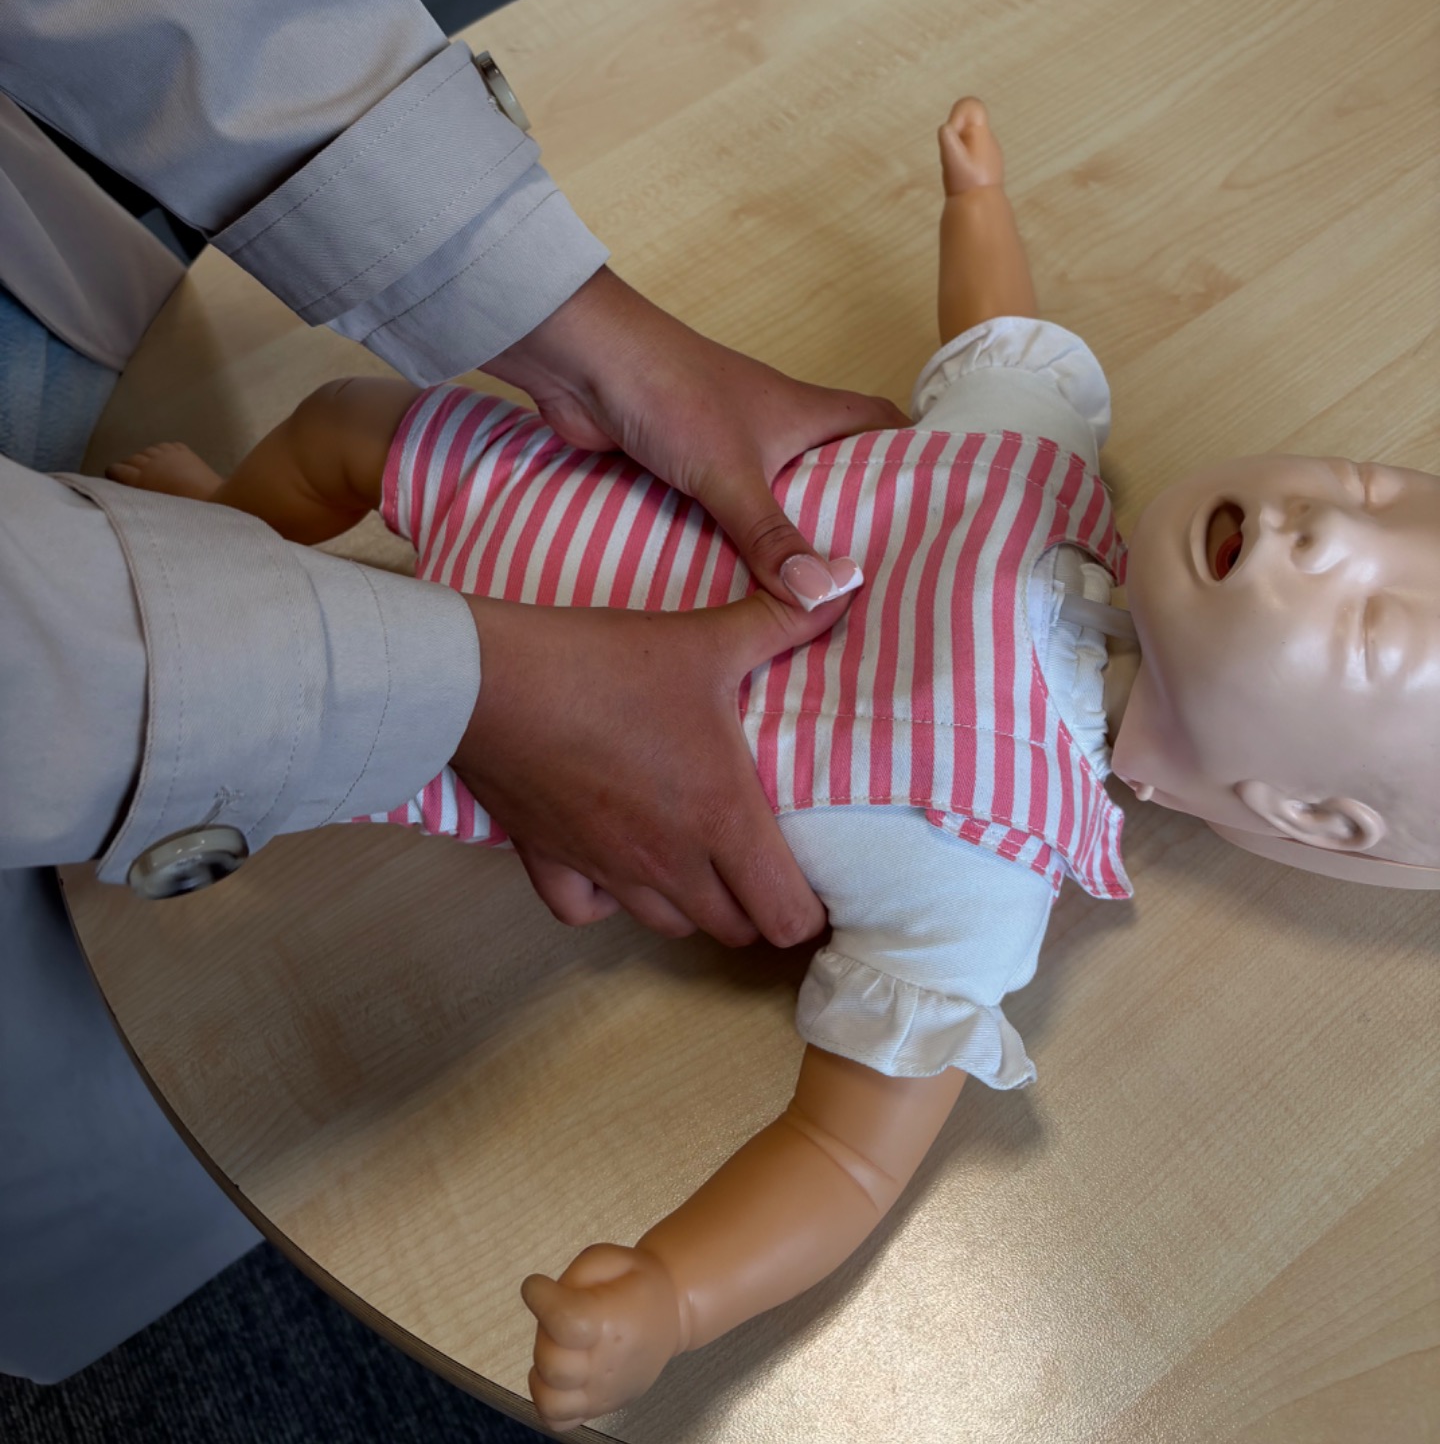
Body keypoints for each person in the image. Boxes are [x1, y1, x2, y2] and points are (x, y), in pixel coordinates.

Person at [114, 95, 1440, 1428]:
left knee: (269, 713)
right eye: (1375, 490)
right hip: (549, 499)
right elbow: (996, 334)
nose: (1329, 530)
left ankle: (202, 607)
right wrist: (980, 207)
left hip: (493, 742)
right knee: (352, 424)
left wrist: (675, 1296)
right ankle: (227, 527)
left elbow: (846, 1157)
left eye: (1369, 627)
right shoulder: (1034, 462)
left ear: (1305, 813)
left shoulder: (985, 867)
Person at [0, 0, 904, 1381]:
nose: (1327, 536)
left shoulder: (1001, 866)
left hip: (137, 420)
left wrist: (591, 332)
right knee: (187, 1161)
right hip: (308, 743)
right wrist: (441, 679)